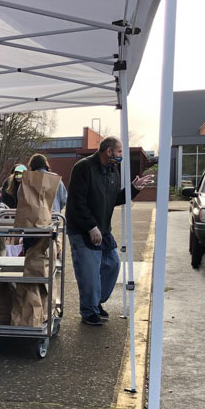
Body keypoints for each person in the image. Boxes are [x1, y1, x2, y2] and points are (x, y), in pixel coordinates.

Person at [67, 137, 153, 326]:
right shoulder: (84, 168)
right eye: (120, 151)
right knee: (89, 272)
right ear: (109, 151)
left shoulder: (112, 171)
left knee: (112, 264)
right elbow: (76, 201)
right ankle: (89, 310)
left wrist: (133, 189)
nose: (122, 155)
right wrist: (90, 226)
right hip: (82, 229)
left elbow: (113, 198)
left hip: (103, 230)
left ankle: (96, 302)